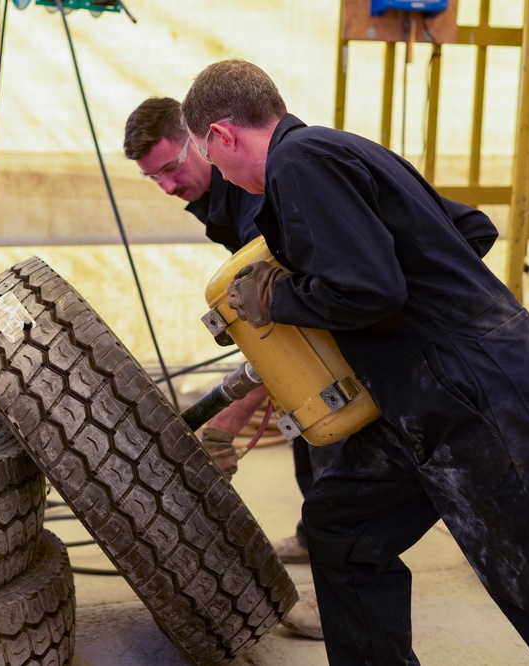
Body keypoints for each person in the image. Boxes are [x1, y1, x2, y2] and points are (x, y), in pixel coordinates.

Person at [181, 59, 529, 665]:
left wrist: (276, 298)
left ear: (223, 135)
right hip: (421, 395)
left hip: (479, 395)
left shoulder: (298, 164)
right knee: (342, 529)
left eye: (210, 157)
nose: (219, 175)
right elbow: (472, 229)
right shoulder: (350, 152)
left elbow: (369, 290)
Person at [123, 96, 330, 638]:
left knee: (336, 449)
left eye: (170, 168)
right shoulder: (216, 201)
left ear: (203, 140)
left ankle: (340, 596)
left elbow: (281, 326)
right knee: (308, 433)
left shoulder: (251, 190)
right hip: (303, 326)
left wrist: (226, 425)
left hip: (334, 335)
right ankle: (314, 537)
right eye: (153, 179)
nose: (166, 187)